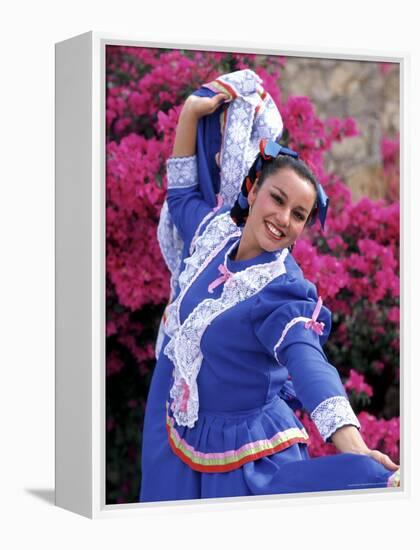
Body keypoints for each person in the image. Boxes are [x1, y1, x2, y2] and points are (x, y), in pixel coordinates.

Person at [139, 71, 400, 503]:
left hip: (241, 461)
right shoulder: (215, 235)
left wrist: (352, 447)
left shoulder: (284, 290)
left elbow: (310, 365)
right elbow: (182, 195)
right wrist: (190, 112)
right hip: (172, 427)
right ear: (254, 188)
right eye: (277, 199)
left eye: (299, 215)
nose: (284, 219)